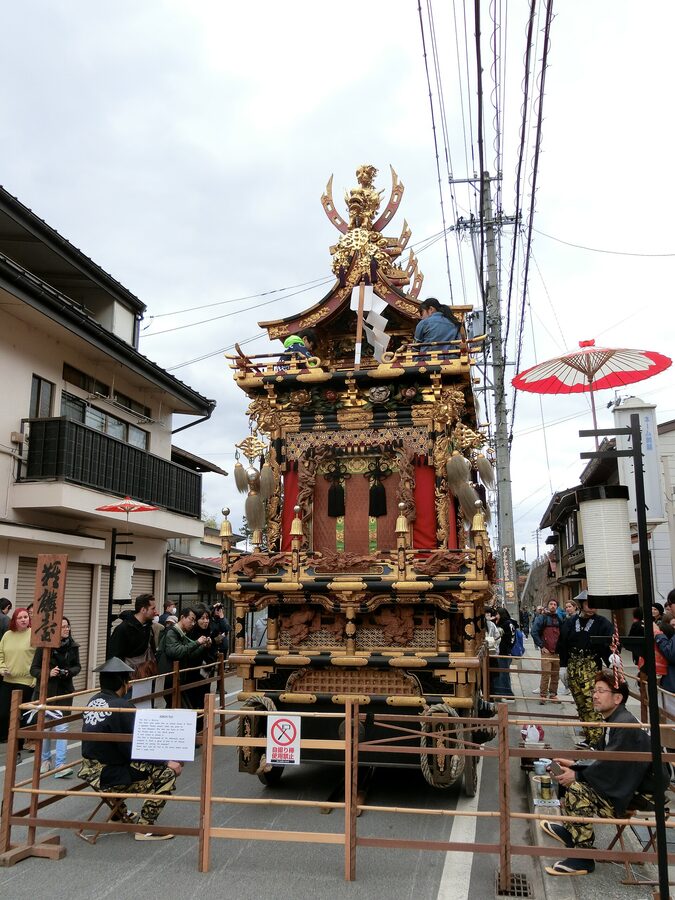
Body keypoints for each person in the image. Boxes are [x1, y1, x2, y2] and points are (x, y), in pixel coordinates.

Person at [540, 670, 664, 877]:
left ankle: (583, 857)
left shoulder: (623, 724)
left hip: (639, 795)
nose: (594, 695)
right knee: (570, 778)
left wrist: (577, 774)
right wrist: (575, 764)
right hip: (627, 784)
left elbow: (610, 766)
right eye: (594, 690)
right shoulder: (615, 720)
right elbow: (602, 758)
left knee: (577, 788)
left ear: (617, 698)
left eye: (601, 691)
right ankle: (573, 834)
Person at [79, 657, 182, 840]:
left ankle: (119, 815)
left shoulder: (93, 701)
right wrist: (166, 761)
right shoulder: (121, 706)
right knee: (166, 773)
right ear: (124, 683)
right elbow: (136, 747)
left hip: (90, 769)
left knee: (139, 763)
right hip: (107, 774)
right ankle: (144, 828)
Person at [556, 591, 613, 748]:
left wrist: (611, 658)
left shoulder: (603, 623)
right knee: (580, 703)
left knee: (592, 702)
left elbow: (608, 644)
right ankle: (589, 736)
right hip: (573, 666)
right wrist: (563, 666)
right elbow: (563, 645)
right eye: (588, 604)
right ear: (581, 605)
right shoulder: (569, 622)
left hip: (591, 666)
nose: (592, 607)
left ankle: (598, 741)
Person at [30, 617, 81, 777]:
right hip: (47, 691)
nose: (67, 629)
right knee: (46, 726)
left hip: (65, 691)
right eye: (63, 627)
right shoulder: (44, 647)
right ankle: (46, 760)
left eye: (68, 626)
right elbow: (33, 669)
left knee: (62, 727)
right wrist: (48, 673)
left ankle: (61, 764)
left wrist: (69, 672)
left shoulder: (73, 646)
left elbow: (77, 666)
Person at [0, 608, 36, 757]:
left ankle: (17, 748)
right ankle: (9, 741)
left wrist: (35, 678)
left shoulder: (34, 634)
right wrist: (1, 667)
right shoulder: (7, 635)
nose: (23, 620)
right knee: (3, 713)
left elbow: (40, 658)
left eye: (25, 617)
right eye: (20, 617)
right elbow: (0, 653)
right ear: (14, 620)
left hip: (26, 681)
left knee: (20, 715)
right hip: (8, 680)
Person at [158, 607, 211, 707]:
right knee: (176, 708)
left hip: (177, 679)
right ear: (182, 617)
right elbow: (177, 652)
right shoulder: (172, 632)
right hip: (169, 679)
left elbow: (189, 655)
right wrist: (197, 642)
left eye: (195, 620)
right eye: (191, 619)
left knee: (180, 708)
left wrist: (203, 646)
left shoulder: (182, 634)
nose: (193, 623)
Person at [109, 594, 158, 677]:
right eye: (153, 608)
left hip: (146, 676)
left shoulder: (148, 627)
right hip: (128, 680)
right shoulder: (122, 629)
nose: (156, 612)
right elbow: (114, 657)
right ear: (143, 610)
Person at [532, 599, 562, 704]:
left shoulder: (560, 618)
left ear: (557, 607)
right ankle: (543, 695)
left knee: (555, 674)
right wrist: (541, 646)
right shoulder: (542, 618)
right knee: (546, 674)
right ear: (547, 606)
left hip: (557, 651)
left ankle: (553, 695)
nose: (553, 606)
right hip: (546, 651)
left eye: (555, 604)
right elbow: (534, 632)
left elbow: (563, 633)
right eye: (551, 604)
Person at [492, 607, 517, 699]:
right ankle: (501, 691)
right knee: (502, 672)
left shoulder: (506, 624)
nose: (495, 616)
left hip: (503, 651)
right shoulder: (504, 623)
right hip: (502, 651)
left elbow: (510, 638)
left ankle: (506, 692)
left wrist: (507, 648)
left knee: (503, 673)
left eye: (497, 614)